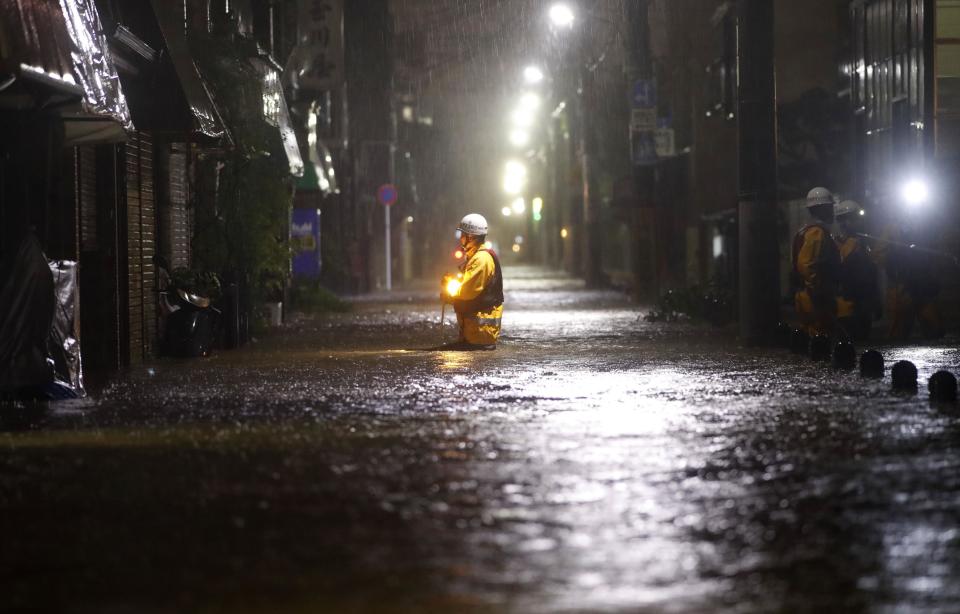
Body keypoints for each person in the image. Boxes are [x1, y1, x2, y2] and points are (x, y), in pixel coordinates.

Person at [440, 213, 503, 350]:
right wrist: (452, 281)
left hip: (480, 334)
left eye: (463, 235)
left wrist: (449, 293)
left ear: (471, 237)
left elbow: (466, 292)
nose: (460, 238)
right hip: (476, 334)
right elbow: (470, 284)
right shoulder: (477, 257)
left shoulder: (481, 259)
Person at [791, 187, 840, 336]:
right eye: (830, 207)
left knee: (813, 341)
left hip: (807, 294)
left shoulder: (805, 231)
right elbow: (807, 265)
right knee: (820, 338)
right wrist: (817, 291)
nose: (832, 212)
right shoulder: (816, 233)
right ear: (822, 209)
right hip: (814, 297)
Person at [834, 200, 878, 340]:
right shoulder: (837, 244)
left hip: (861, 305)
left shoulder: (862, 243)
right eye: (853, 219)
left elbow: (871, 274)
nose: (857, 222)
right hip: (847, 305)